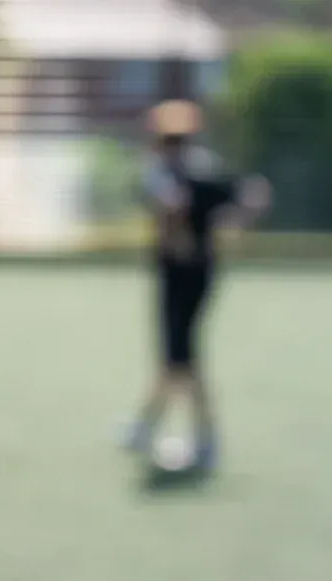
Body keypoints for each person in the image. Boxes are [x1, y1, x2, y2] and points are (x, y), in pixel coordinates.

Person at [121, 100, 272, 469]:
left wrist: (194, 230)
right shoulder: (198, 168)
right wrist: (229, 221)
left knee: (183, 358)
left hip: (184, 275)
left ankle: (207, 438)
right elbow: (254, 195)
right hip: (192, 271)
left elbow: (174, 208)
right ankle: (145, 426)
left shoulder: (176, 172)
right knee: (174, 356)